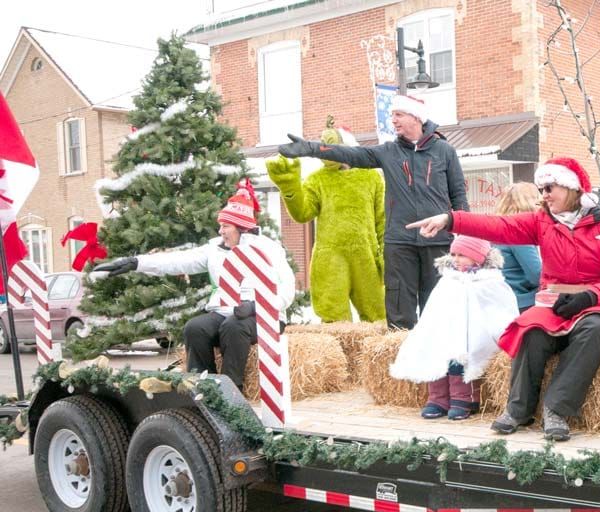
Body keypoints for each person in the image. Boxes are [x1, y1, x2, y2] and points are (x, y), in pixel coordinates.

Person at [408, 157, 600, 440]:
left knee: (594, 330)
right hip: (556, 302)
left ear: (570, 188)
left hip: (599, 303)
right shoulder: (542, 221)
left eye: (549, 188)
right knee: (529, 330)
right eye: (541, 189)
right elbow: (498, 226)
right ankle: (519, 409)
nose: (544, 195)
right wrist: (450, 219)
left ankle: (556, 409)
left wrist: (591, 296)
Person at [278, 94, 469, 330]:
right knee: (399, 316)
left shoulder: (445, 151)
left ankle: (440, 364)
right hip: (399, 244)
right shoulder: (388, 151)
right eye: (392, 116)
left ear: (416, 117)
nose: (394, 120)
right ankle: (403, 362)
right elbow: (349, 154)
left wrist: (465, 235)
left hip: (438, 242)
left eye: (398, 115)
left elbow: (459, 195)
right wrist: (310, 148)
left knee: (438, 309)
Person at [92, 184, 296, 389]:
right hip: (225, 311)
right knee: (195, 328)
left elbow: (287, 288)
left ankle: (231, 390)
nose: (220, 231)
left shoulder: (268, 249)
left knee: (234, 326)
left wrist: (255, 306)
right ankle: (205, 387)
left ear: (241, 227)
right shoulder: (214, 248)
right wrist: (137, 262)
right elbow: (178, 260)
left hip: (264, 315)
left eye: (225, 226)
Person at [266, 117, 386, 322]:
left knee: (378, 315)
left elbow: (382, 221)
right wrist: (289, 185)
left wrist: (387, 256)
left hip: (366, 256)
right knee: (333, 317)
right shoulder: (317, 179)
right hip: (331, 257)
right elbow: (302, 213)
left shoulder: (371, 177)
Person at [389, 235, 518, 420]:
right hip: (448, 332)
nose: (455, 259)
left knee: (463, 355)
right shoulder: (448, 280)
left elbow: (499, 310)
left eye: (462, 255)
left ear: (478, 257)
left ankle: (464, 398)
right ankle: (438, 398)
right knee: (436, 351)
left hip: (476, 334)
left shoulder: (490, 282)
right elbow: (434, 310)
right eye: (453, 254)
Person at [494, 182, 542, 313]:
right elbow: (537, 275)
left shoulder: (499, 228)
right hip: (522, 302)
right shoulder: (518, 231)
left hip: (501, 300)